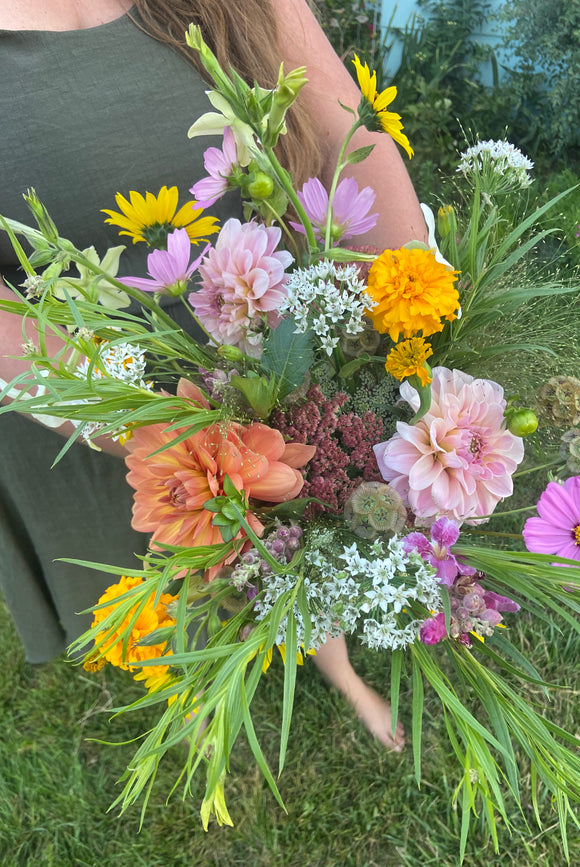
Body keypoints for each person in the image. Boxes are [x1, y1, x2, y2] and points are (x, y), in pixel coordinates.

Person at [0, 0, 427, 750]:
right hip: (81, 375)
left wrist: (413, 332)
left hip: (277, 320)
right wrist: (168, 432)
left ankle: (338, 670)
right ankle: (204, 682)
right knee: (192, 547)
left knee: (300, 527)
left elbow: (339, 132)